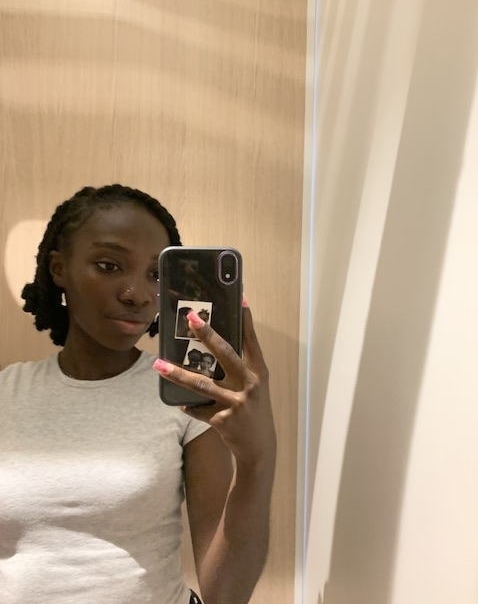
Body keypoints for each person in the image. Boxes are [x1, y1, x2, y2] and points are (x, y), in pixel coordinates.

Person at [0, 184, 276, 604]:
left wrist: (258, 459)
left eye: (156, 274)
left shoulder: (186, 393)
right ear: (59, 268)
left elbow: (226, 594)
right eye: (109, 265)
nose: (138, 294)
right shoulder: (7, 392)